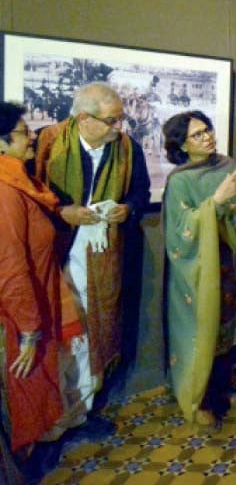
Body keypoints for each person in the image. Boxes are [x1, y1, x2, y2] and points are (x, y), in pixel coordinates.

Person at [34, 82, 151, 440]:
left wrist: (126, 208)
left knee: (93, 332)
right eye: (111, 121)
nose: (119, 129)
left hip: (103, 257)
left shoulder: (128, 148)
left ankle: (83, 410)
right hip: (54, 254)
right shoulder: (48, 142)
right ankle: (52, 420)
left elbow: (140, 192)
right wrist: (62, 211)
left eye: (121, 120)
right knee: (60, 334)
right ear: (84, 118)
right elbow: (30, 192)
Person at [162, 110, 236, 429]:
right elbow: (179, 231)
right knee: (203, 328)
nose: (208, 137)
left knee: (230, 329)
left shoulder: (227, 165)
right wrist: (214, 203)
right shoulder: (180, 180)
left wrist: (233, 218)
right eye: (198, 134)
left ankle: (226, 387)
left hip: (230, 260)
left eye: (208, 130)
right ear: (182, 145)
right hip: (200, 270)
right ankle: (200, 397)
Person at [0, 102, 71, 482]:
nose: (32, 138)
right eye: (24, 133)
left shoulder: (21, 181)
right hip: (18, 317)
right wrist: (28, 330)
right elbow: (9, 268)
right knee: (23, 395)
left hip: (34, 301)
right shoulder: (5, 191)